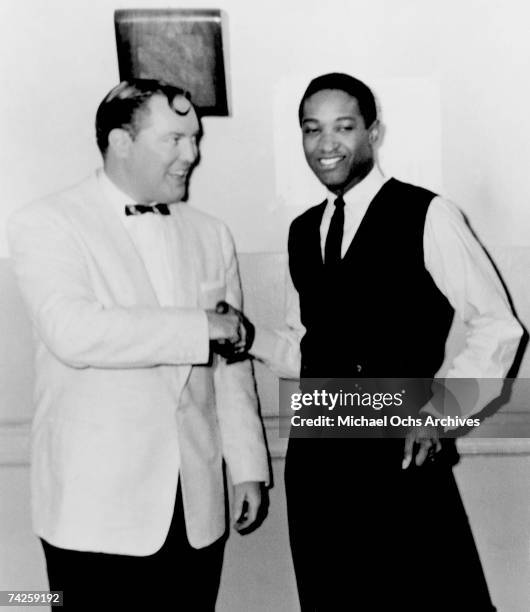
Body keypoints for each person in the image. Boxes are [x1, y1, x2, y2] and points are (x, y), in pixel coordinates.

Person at [235, 73, 522, 610]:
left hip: (400, 456)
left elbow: (500, 326)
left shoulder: (428, 213)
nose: (326, 144)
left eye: (344, 127)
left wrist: (440, 412)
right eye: (311, 129)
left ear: (373, 131)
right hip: (317, 463)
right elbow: (311, 350)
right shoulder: (302, 231)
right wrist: (252, 338)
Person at [8, 79, 269, 610]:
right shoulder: (45, 222)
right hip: (93, 515)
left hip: (196, 509)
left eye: (194, 139)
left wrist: (247, 469)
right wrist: (201, 327)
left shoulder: (211, 233)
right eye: (174, 139)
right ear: (121, 142)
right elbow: (73, 333)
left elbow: (231, 368)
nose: (192, 155)